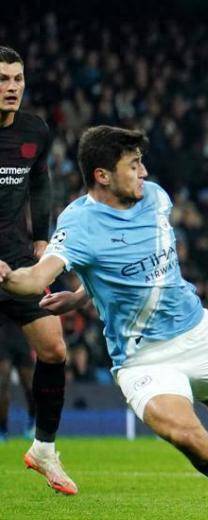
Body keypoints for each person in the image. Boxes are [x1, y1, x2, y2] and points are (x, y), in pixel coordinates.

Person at [0, 125, 208, 520]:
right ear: (102, 175)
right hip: (141, 357)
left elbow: (131, 270)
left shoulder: (157, 199)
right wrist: (7, 277)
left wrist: (80, 296)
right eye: (133, 165)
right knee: (186, 435)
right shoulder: (77, 224)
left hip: (196, 333)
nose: (143, 172)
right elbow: (35, 279)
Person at [0, 45, 77, 494]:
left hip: (17, 260)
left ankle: (44, 448)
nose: (12, 88)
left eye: (17, 79)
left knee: (53, 349)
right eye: (2, 80)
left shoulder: (34, 130)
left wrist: (43, 239)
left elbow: (40, 181)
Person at [0, 315, 35, 441]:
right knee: (2, 385)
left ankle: (32, 422)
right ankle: (2, 428)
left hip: (22, 336)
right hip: (2, 336)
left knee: (30, 386)